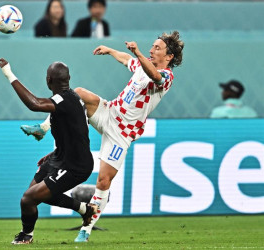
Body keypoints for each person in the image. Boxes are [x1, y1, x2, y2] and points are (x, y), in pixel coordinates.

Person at [21, 31, 184, 242]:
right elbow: (127, 60)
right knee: (77, 93)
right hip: (110, 112)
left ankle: (86, 229)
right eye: (152, 47)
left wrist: (138, 52)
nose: (152, 50)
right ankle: (44, 127)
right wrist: (110, 51)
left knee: (104, 180)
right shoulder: (141, 66)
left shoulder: (166, 76)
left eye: (157, 48)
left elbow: (155, 75)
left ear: (169, 57)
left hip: (122, 133)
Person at [0, 58, 97, 244]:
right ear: (68, 78)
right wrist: (55, 153)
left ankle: (26, 236)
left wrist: (8, 72)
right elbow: (76, 132)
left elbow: (34, 104)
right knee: (33, 194)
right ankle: (84, 209)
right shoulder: (70, 98)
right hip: (62, 157)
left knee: (28, 199)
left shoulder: (64, 100)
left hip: (75, 166)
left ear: (48, 80)